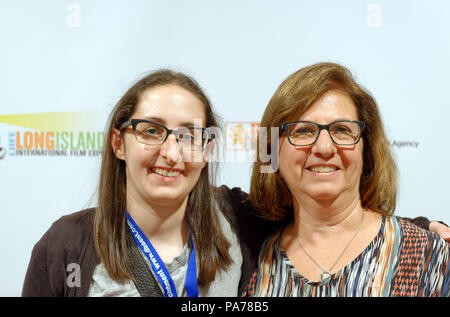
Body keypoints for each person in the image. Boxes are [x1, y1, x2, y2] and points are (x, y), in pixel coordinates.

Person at [22, 68, 449, 297]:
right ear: (119, 142)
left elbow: (332, 216)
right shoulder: (65, 246)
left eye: (190, 135)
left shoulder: (240, 225)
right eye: (151, 130)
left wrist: (420, 232)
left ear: (208, 149)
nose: (170, 152)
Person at [244, 62, 450, 297]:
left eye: (341, 129)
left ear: (366, 150)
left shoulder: (428, 256)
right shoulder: (248, 259)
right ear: (271, 150)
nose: (324, 147)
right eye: (303, 131)